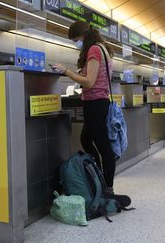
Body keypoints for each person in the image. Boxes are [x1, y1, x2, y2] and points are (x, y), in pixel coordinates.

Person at [53, 21, 116, 193]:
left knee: (104, 148)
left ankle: (107, 189)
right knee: (86, 140)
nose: (75, 43)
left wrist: (66, 71)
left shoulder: (95, 49)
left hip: (95, 103)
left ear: (83, 35)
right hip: (96, 102)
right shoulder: (102, 48)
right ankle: (97, 175)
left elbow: (89, 82)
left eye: (75, 39)